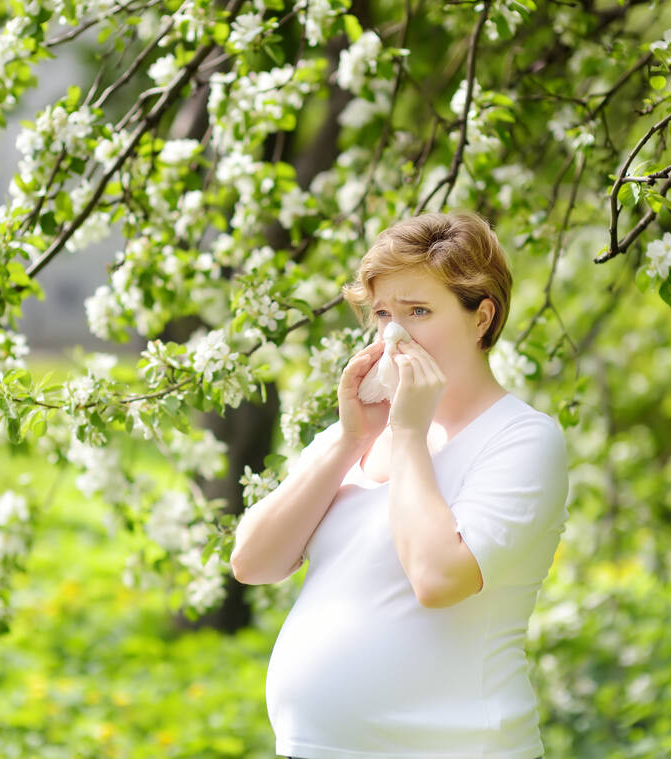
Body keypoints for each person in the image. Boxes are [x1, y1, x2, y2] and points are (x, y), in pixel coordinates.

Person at [230, 211, 570, 759]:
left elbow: (438, 579)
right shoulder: (360, 431)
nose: (394, 333)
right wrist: (349, 442)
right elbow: (253, 562)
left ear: (481, 317)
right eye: (384, 312)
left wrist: (409, 431)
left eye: (418, 311)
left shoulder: (522, 440)